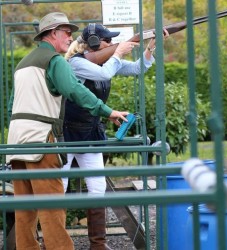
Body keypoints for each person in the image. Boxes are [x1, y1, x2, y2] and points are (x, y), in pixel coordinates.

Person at [6, 13, 130, 250]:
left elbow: (14, 103)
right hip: (40, 140)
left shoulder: (23, 63)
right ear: (53, 33)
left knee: (25, 209)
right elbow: (74, 90)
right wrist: (108, 111)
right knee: (52, 206)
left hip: (16, 142)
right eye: (66, 31)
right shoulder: (55, 60)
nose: (71, 37)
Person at [62, 23, 169, 250]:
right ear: (92, 43)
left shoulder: (104, 61)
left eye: (112, 42)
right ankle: (56, 243)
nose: (111, 44)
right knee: (58, 187)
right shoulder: (76, 63)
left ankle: (98, 245)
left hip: (90, 130)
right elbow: (104, 72)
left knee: (98, 187)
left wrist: (151, 46)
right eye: (107, 41)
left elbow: (138, 68)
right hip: (67, 132)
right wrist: (118, 52)